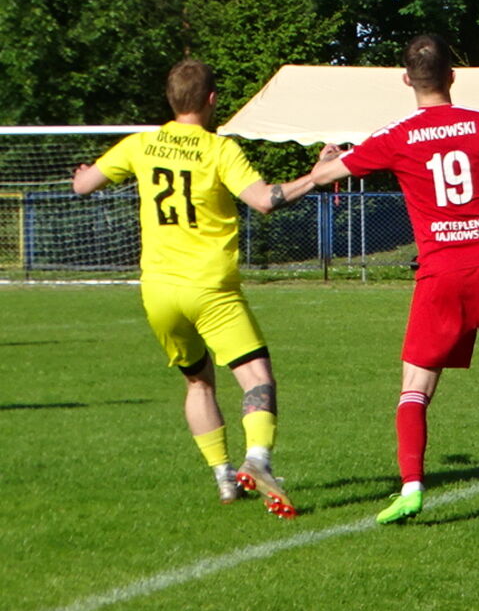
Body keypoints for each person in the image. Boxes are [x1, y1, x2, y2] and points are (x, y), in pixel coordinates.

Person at [306, 35, 479, 522]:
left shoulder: (398, 134)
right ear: (452, 74)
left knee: (416, 385)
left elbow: (326, 175)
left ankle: (410, 488)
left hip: (440, 270)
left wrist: (321, 163)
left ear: (407, 79)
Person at [71, 59, 320, 517]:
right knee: (257, 378)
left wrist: (84, 173)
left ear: (171, 100)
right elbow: (265, 200)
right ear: (211, 100)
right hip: (210, 289)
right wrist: (316, 174)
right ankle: (259, 460)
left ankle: (225, 479)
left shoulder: (142, 144)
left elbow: (84, 185)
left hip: (158, 293)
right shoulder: (219, 150)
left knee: (197, 380)